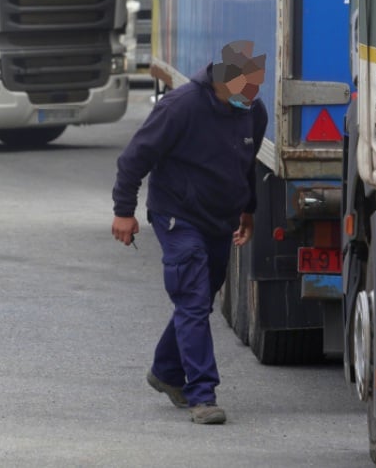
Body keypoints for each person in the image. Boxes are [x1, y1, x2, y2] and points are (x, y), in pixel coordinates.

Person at [111, 40, 268, 425]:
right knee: (194, 299)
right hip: (177, 217)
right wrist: (124, 212)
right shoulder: (180, 108)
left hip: (220, 220)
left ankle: (165, 371)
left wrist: (249, 210)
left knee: (195, 300)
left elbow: (247, 163)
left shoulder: (253, 110)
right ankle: (202, 395)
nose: (248, 99)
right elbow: (134, 159)